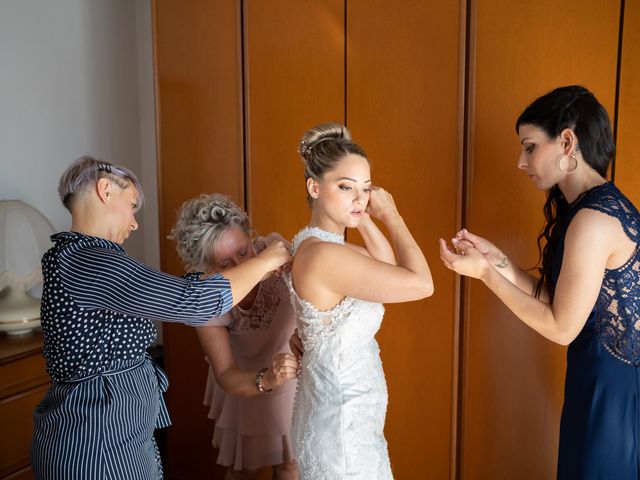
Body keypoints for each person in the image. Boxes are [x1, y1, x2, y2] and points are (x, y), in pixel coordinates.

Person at [30, 156, 291, 480]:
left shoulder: (77, 258)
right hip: (97, 439)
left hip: (111, 429)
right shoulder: (92, 263)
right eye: (132, 205)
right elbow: (197, 301)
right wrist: (269, 259)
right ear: (105, 190)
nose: (135, 222)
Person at [439, 85, 638, 478]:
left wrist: (484, 276)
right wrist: (497, 263)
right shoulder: (595, 207)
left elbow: (562, 328)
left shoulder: (594, 221)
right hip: (600, 387)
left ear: (567, 141)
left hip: (609, 398)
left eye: (529, 147)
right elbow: (559, 302)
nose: (520, 161)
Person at [286, 122, 434, 479]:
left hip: (346, 417)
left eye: (366, 188)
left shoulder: (320, 244)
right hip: (341, 428)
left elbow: (384, 267)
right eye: (346, 187)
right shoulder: (324, 256)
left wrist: (362, 215)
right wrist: (392, 217)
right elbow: (421, 284)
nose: (360, 197)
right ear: (314, 186)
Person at [170, 193, 299, 480]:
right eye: (225, 265)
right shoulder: (206, 301)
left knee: (291, 464)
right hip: (246, 381)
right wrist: (265, 379)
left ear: (251, 237)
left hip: (293, 374)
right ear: (205, 269)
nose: (241, 267)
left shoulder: (275, 250)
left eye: (243, 252)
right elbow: (226, 373)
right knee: (246, 469)